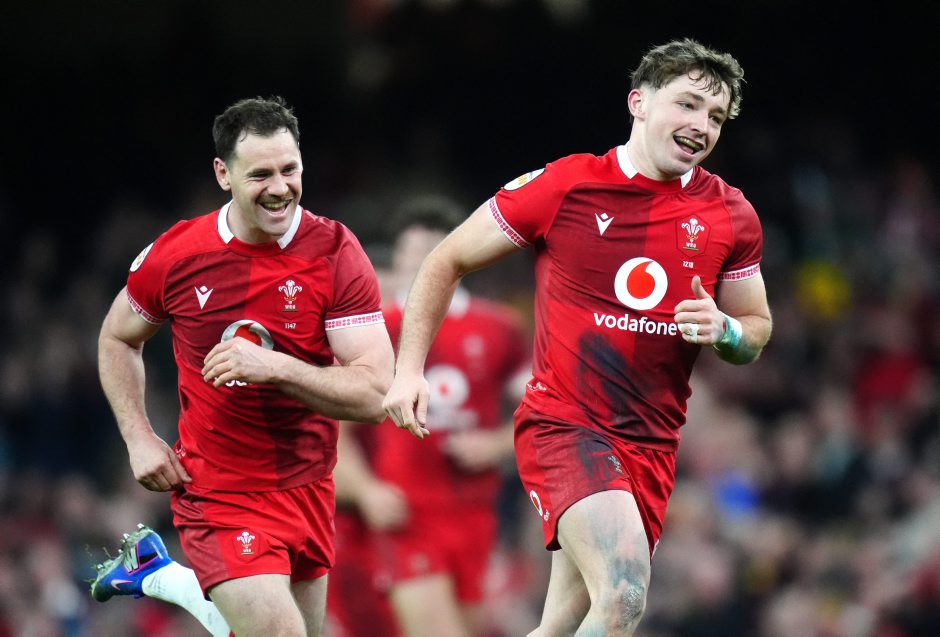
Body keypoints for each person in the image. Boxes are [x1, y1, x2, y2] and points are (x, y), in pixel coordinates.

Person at [382, 38, 773, 635]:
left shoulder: (732, 215)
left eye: (716, 116)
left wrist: (724, 329)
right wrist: (408, 370)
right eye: (688, 105)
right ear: (639, 102)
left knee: (564, 624)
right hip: (565, 425)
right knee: (624, 594)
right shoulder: (567, 186)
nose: (702, 126)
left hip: (651, 444)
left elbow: (755, 330)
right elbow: (445, 259)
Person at [94, 96, 395, 637]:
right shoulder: (178, 254)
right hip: (219, 490)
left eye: (289, 170)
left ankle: (161, 575)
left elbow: (375, 396)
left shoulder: (335, 252)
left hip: (309, 485)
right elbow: (118, 337)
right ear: (223, 174)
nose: (280, 188)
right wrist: (138, 436)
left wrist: (276, 367)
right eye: (260, 175)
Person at [328, 195, 530, 636]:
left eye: (436, 253)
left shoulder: (499, 328)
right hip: (408, 513)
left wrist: (497, 444)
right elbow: (334, 428)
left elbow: (545, 409)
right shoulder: (375, 331)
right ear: (399, 259)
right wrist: (367, 490)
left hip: (476, 511)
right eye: (414, 254)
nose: (424, 265)